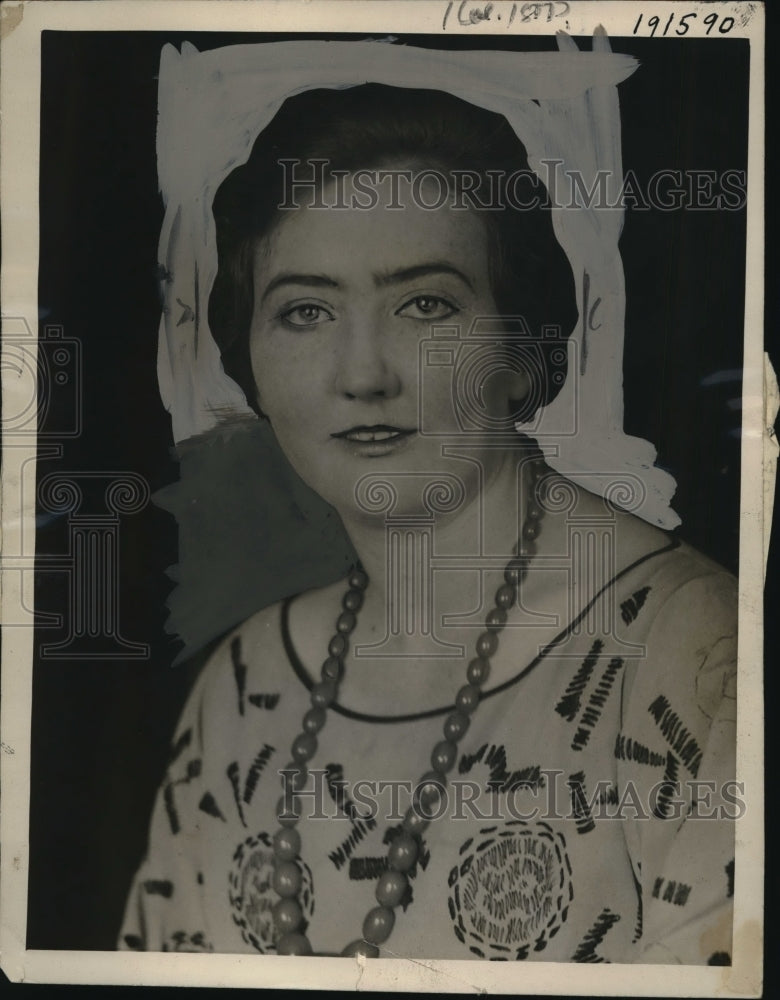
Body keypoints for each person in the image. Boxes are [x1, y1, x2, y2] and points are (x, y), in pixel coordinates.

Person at [119, 70, 737, 963]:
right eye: (305, 312)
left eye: (425, 305)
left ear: (524, 351)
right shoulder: (244, 684)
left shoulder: (695, 658)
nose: (362, 373)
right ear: (249, 365)